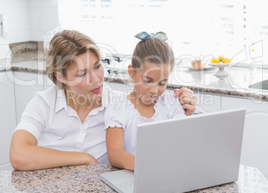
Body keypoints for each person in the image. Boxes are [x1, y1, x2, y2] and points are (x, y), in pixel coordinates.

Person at [10, 30, 196, 171]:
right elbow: (19, 154)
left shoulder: (117, 103)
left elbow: (154, 112)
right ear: (61, 77)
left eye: (97, 66)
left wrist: (185, 103)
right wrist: (84, 158)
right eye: (82, 73)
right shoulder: (43, 104)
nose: (96, 79)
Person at [105, 32, 190, 171]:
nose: (154, 90)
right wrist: (148, 167)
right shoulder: (118, 106)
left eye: (162, 83)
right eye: (148, 81)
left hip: (168, 172)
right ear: (131, 72)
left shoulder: (171, 104)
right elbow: (115, 154)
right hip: (134, 174)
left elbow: (181, 144)